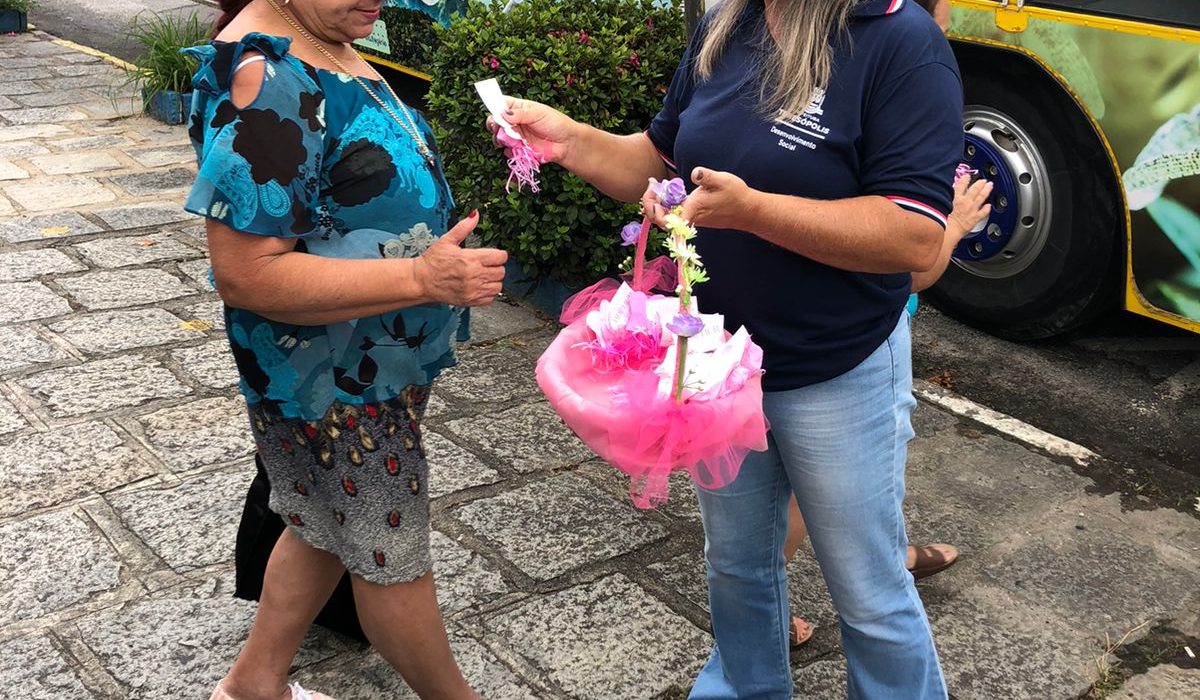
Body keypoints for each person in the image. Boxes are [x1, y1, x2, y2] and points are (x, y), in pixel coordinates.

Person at [492, 0, 962, 696]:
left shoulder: (899, 39)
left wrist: (753, 212)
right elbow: (658, 159)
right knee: (737, 567)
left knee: (868, 590)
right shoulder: (727, 23)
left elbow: (914, 236)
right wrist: (572, 140)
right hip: (720, 368)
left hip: (835, 365)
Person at [188, 2, 506, 699]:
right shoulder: (269, 77)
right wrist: (422, 278)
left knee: (324, 522)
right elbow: (248, 274)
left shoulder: (323, 34)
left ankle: (253, 685)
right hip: (332, 379)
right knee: (391, 553)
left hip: (372, 360)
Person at [779, 0, 994, 648]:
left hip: (826, 333)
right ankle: (772, 593)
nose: (944, 31)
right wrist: (954, 225)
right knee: (822, 485)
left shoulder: (851, 80)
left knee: (872, 466)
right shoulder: (902, 65)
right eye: (940, 18)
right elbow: (912, 268)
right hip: (860, 341)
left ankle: (885, 551)